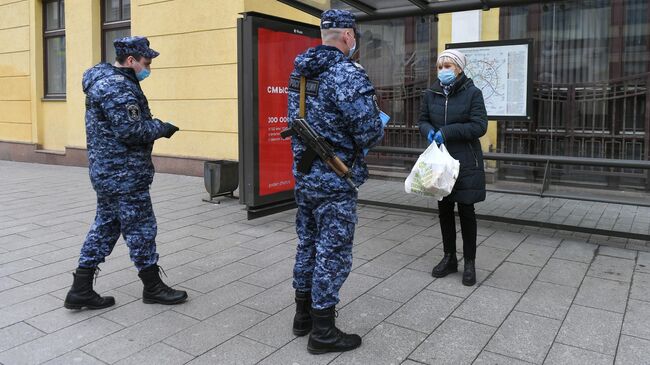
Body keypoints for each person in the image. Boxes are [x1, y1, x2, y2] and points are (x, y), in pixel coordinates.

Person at [64, 36, 187, 310]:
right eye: (146, 62)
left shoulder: (111, 82)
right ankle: (153, 287)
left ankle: (80, 288)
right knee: (142, 228)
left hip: (109, 172)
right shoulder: (117, 88)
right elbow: (131, 131)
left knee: (106, 226)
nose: (149, 68)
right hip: (124, 175)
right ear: (130, 60)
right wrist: (161, 128)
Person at [287, 9, 385, 354]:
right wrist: (377, 122)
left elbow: (296, 118)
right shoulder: (346, 74)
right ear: (348, 36)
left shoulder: (299, 72)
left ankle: (302, 316)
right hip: (335, 176)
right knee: (333, 252)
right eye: (354, 36)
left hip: (306, 175)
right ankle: (323, 331)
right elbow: (370, 131)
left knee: (308, 244)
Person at [417, 49, 487, 286]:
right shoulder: (431, 92)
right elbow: (423, 120)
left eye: (448, 66)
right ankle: (449, 258)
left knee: (467, 211)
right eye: (440, 66)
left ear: (459, 68)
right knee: (444, 209)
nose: (443, 70)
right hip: (439, 162)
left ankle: (469, 262)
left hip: (465, 161)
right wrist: (429, 132)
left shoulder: (473, 93)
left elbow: (479, 126)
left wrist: (447, 132)